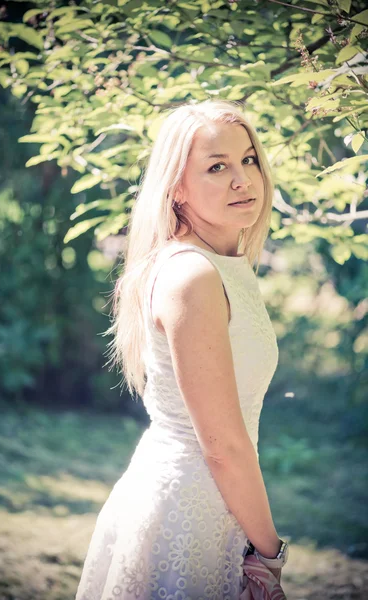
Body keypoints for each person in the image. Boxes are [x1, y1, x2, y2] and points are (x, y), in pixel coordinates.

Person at [75, 99, 289, 599]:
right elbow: (223, 447)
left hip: (220, 508)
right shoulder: (192, 275)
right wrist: (270, 555)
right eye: (217, 167)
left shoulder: (225, 263)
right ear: (177, 190)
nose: (243, 179)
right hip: (185, 516)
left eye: (249, 159)